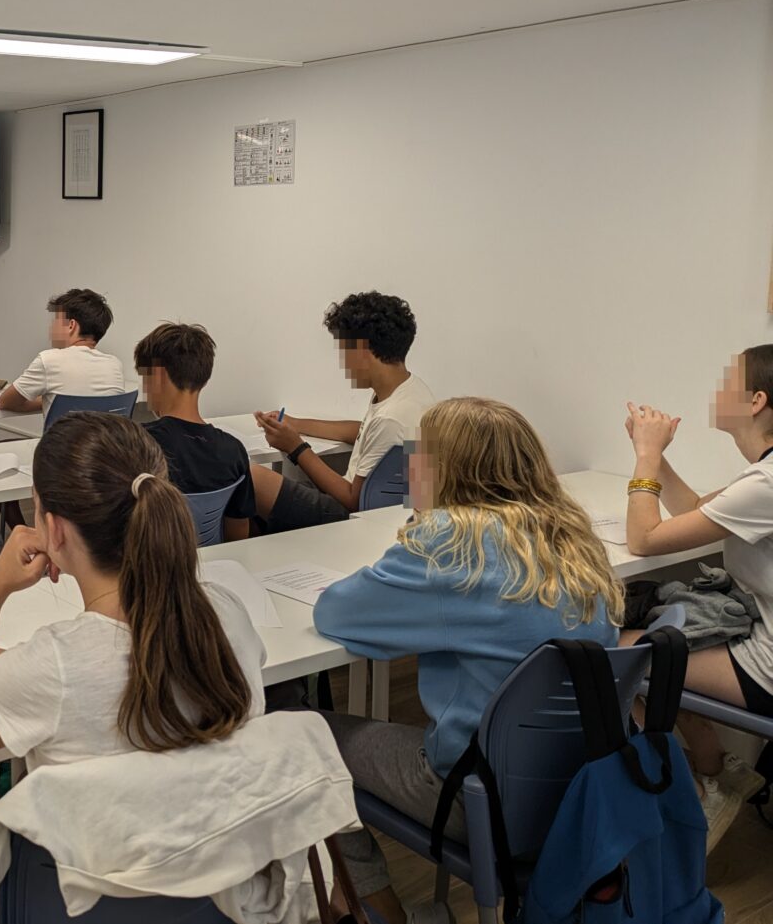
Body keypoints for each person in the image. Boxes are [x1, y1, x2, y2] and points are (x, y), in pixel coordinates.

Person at [0, 412, 266, 923]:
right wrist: (18, 668)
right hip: (214, 892)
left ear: (52, 528)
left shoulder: (55, 664)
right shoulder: (227, 613)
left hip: (83, 901)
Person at [312, 397, 622, 924]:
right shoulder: (574, 539)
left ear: (445, 469)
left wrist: (420, 528)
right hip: (582, 793)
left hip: (480, 798)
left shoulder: (452, 542)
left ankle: (384, 916)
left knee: (303, 737)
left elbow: (336, 613)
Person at [621, 345, 773, 852]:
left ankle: (694, 792)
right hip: (761, 631)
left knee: (614, 653)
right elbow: (689, 508)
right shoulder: (761, 476)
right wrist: (653, 455)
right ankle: (718, 768)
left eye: (729, 380)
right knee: (663, 632)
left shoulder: (767, 483)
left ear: (756, 400)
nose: (717, 387)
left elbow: (644, 539)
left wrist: (646, 458)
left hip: (769, 663)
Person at [250, 291, 434, 531]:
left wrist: (295, 447)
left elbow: (354, 501)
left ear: (363, 353)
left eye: (345, 352)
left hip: (351, 516)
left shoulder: (391, 417)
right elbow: (362, 431)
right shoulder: (410, 391)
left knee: (253, 478)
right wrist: (295, 424)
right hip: (381, 510)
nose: (344, 363)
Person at [135, 322, 254, 542]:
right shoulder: (234, 450)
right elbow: (238, 531)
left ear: (158, 376)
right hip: (211, 559)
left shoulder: (137, 442)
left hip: (150, 559)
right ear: (204, 379)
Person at [0, 288, 125, 416]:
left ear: (71, 325)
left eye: (56, 320)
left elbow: (5, 402)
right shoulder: (115, 365)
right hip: (105, 431)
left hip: (65, 432)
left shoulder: (48, 361)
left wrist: (48, 400)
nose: (51, 327)